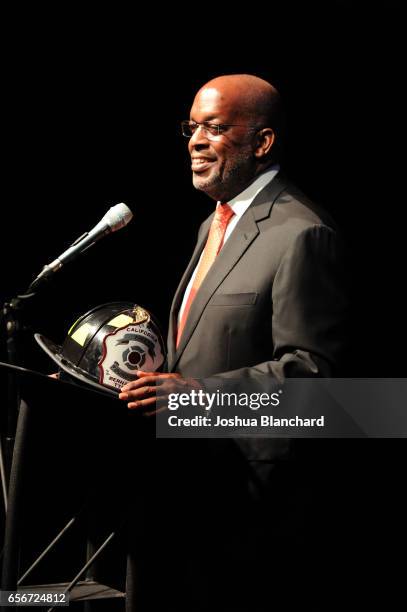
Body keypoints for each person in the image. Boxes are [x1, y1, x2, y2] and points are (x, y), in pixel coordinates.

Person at [121, 74, 348, 611]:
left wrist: (198, 396)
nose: (195, 141)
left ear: (262, 142)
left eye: (216, 128)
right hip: (187, 496)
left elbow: (314, 379)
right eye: (192, 127)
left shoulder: (302, 233)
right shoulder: (213, 226)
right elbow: (195, 353)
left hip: (249, 512)